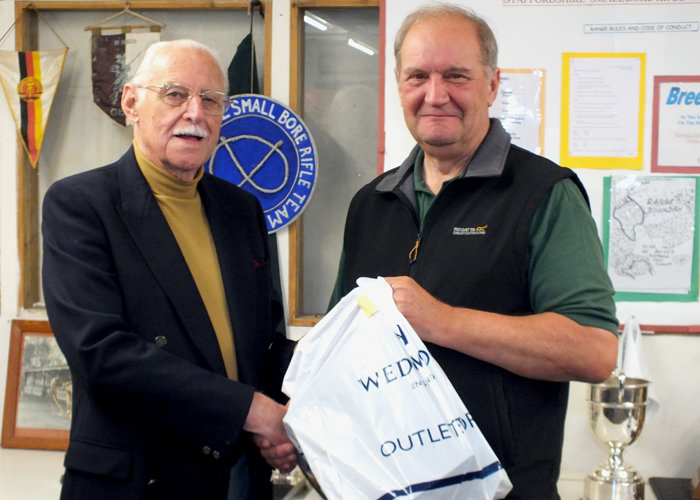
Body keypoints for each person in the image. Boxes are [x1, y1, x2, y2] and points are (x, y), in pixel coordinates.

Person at [329, 5, 619, 499]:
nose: (435, 95)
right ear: (399, 83)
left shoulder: (543, 193)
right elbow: (341, 348)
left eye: (456, 76)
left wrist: (440, 320)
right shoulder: (370, 204)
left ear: (491, 84)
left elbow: (594, 350)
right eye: (418, 75)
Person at [42, 39, 297, 500]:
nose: (195, 113)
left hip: (238, 477)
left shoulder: (241, 210)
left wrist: (307, 401)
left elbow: (265, 344)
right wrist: (253, 411)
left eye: (211, 99)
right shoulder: (80, 205)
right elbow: (102, 354)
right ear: (131, 102)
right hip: (140, 480)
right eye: (175, 94)